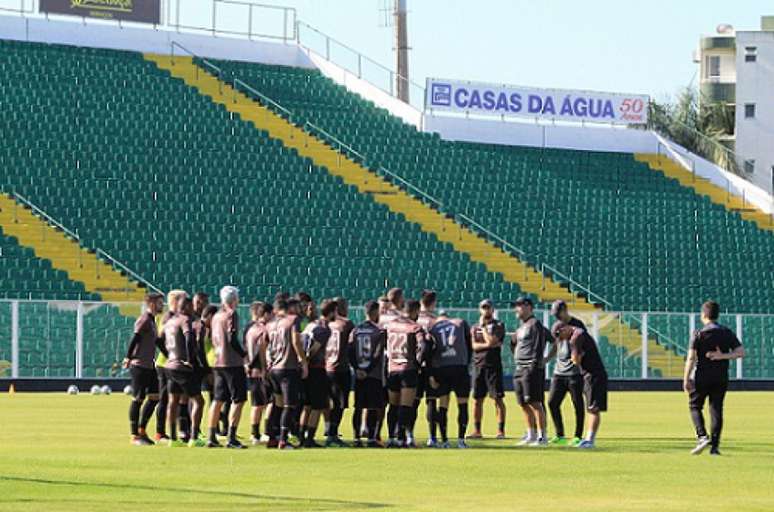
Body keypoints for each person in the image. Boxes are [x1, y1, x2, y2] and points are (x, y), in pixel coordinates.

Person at [683, 301, 744, 456]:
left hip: (702, 376)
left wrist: (686, 378)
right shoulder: (726, 332)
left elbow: (691, 358)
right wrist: (722, 356)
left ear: (703, 315)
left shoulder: (698, 334)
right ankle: (715, 447)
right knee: (716, 409)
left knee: (695, 406)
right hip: (721, 376)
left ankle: (702, 436)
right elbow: (741, 352)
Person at [551, 320, 608, 449]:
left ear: (565, 328)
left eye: (559, 334)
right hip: (591, 374)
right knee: (591, 408)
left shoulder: (575, 338)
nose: (560, 339)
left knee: (593, 408)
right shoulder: (579, 333)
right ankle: (588, 439)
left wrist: (573, 357)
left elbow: (576, 361)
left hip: (593, 375)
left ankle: (590, 440)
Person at [207, 286, 248, 449]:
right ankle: (231, 436)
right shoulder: (231, 315)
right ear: (233, 299)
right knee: (238, 400)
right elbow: (232, 338)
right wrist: (245, 355)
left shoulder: (216, 316)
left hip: (218, 362)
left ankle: (211, 436)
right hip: (232, 362)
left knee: (217, 400)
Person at [122, 292, 166, 446]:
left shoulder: (153, 321)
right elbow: (135, 338)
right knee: (138, 398)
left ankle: (142, 430)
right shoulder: (145, 319)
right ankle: (134, 435)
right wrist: (128, 357)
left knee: (155, 397)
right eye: (160, 303)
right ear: (152, 304)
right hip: (139, 366)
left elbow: (157, 342)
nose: (162, 305)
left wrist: (169, 355)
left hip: (149, 366)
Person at [266, 297, 309, 450]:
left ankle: (272, 437)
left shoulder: (270, 324)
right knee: (289, 405)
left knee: (277, 405)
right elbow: (296, 342)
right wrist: (303, 362)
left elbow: (265, 345)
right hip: (287, 368)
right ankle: (283, 440)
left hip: (274, 368)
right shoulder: (293, 320)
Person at [163, 297, 206, 447]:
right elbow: (189, 339)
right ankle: (194, 438)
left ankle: (173, 439)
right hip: (182, 366)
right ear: (187, 306)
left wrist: (169, 354)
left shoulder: (169, 321)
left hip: (170, 365)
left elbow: (160, 339)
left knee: (173, 401)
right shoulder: (185, 320)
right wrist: (189, 359)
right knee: (199, 401)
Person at [511, 297, 552, 446]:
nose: (517, 309)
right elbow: (514, 344)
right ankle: (531, 434)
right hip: (519, 368)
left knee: (535, 402)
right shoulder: (521, 327)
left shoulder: (535, 325)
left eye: (519, 306)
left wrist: (545, 359)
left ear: (529, 307)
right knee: (523, 403)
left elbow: (553, 341)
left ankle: (542, 436)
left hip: (531, 368)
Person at [428, 311, 472, 448]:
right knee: (462, 405)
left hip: (442, 368)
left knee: (443, 405)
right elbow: (469, 345)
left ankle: (445, 440)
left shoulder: (433, 327)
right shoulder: (460, 322)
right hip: (460, 367)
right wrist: (466, 363)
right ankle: (461, 440)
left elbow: (430, 350)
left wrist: (432, 373)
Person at [545, 300, 586, 446]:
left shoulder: (578, 325)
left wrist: (580, 363)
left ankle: (578, 436)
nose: (556, 317)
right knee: (552, 403)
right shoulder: (556, 325)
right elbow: (556, 345)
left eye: (558, 313)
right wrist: (547, 359)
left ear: (564, 310)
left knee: (578, 404)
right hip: (559, 372)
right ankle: (560, 434)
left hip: (574, 372)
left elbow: (583, 346)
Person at [385, 299, 425, 448]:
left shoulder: (391, 325)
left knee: (393, 406)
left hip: (392, 369)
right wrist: (418, 363)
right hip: (407, 369)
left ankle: (390, 438)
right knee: (406, 406)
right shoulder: (414, 327)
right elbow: (423, 345)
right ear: (415, 311)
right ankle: (401, 438)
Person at [348, 300, 387, 448]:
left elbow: (350, 351)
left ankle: (357, 438)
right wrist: (368, 370)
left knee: (358, 407)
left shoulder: (356, 330)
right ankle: (371, 438)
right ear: (376, 312)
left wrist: (357, 369)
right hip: (373, 374)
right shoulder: (379, 331)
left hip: (358, 374)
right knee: (372, 407)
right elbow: (377, 354)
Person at [469, 299, 507, 439]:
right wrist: (488, 344)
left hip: (493, 367)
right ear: (480, 309)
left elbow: (493, 341)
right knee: (477, 400)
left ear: (492, 309)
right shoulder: (474, 327)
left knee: (497, 398)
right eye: (483, 307)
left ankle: (500, 431)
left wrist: (484, 329)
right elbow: (474, 346)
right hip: (478, 366)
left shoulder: (498, 325)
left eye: (488, 307)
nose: (486, 310)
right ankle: (477, 430)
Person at [301, 299, 336, 447]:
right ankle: (310, 438)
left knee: (307, 406)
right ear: (332, 312)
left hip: (306, 369)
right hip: (315, 369)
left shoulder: (311, 324)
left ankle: (301, 435)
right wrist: (306, 361)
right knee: (317, 405)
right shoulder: (323, 329)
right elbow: (313, 350)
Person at [154, 289, 187, 442]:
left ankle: (181, 429)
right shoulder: (168, 317)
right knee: (165, 398)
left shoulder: (178, 317)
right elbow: (159, 339)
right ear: (175, 301)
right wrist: (170, 355)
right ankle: (160, 432)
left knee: (179, 397)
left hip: (174, 363)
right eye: (183, 299)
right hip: (165, 364)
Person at [325, 298, 355, 447]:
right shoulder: (346, 324)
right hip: (340, 367)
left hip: (326, 367)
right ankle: (332, 433)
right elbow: (351, 346)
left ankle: (329, 430)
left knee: (331, 402)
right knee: (340, 403)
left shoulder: (327, 323)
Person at [245, 301, 272, 445]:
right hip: (260, 370)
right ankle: (267, 432)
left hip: (251, 369)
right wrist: (264, 368)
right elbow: (262, 348)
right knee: (269, 402)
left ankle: (254, 434)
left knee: (257, 404)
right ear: (266, 314)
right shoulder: (263, 329)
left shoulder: (250, 329)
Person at [417, 290, 439, 447]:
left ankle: (405, 435)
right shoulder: (434, 321)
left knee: (412, 401)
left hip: (415, 365)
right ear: (433, 303)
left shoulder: (414, 319)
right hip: (431, 365)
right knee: (431, 402)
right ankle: (432, 437)